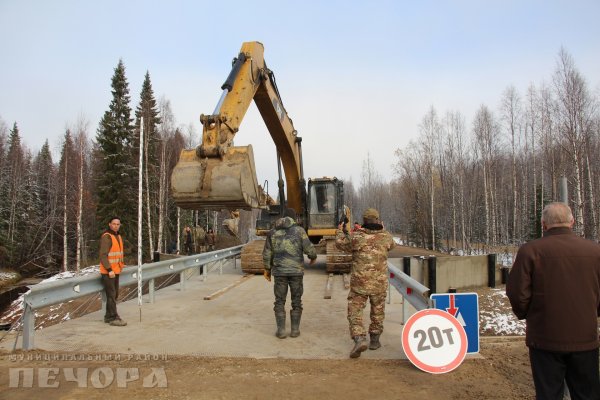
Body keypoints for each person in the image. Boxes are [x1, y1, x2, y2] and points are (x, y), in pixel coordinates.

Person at [507, 202, 600, 400]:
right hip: (585, 337)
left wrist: (528, 314)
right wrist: (592, 311)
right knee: (587, 393)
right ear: (572, 222)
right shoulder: (594, 251)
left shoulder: (530, 251)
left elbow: (517, 292)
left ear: (543, 224)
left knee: (548, 394)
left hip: (544, 337)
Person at [335, 208, 394, 358]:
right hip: (379, 284)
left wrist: (340, 231)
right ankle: (374, 340)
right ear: (378, 220)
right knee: (378, 312)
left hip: (359, 284)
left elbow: (340, 244)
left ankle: (359, 338)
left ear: (364, 221)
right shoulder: (386, 237)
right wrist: (383, 230)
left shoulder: (356, 237)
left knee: (355, 312)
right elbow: (392, 246)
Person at [262, 208, 317, 339]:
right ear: (293, 218)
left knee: (279, 301)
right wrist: (313, 257)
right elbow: (309, 248)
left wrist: (267, 269)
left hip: (279, 272)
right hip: (296, 272)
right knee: (296, 301)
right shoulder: (300, 231)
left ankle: (281, 331)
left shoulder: (272, 232)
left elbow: (267, 253)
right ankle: (295, 330)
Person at [99, 217, 127, 327]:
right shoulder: (107, 237)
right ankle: (114, 317)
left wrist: (120, 265)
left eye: (118, 224)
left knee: (114, 294)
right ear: (109, 224)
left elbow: (118, 253)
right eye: (114, 224)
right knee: (111, 295)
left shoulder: (117, 236)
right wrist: (109, 269)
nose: (116, 226)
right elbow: (103, 255)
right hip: (109, 271)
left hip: (116, 270)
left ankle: (108, 316)